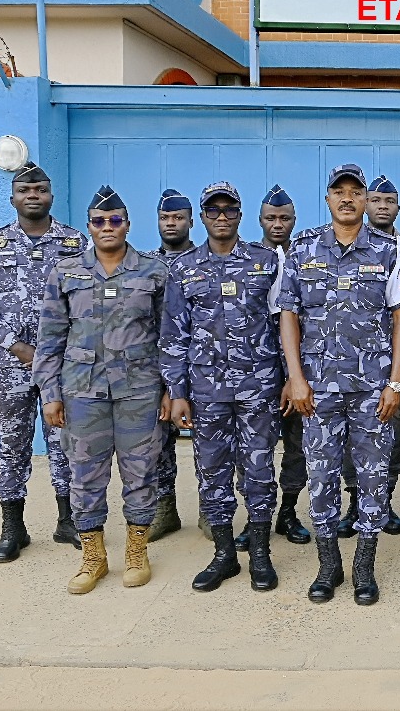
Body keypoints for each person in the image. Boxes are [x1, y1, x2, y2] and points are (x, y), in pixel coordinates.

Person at [279, 164, 400, 606]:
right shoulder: (302, 250)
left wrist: (396, 384)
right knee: (322, 476)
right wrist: (295, 378)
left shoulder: (388, 250)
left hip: (373, 387)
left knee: (373, 478)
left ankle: (363, 568)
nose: (348, 198)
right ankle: (329, 566)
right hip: (318, 390)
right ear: (328, 198)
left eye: (356, 192)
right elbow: (288, 316)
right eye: (340, 191)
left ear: (364, 200)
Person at [34, 186, 169, 594]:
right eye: (98, 221)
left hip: (139, 391)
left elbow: (169, 336)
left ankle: (136, 551)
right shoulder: (66, 272)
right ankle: (93, 556)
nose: (107, 227)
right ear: (89, 227)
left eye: (115, 220)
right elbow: (50, 337)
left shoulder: (153, 271)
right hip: (81, 393)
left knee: (141, 472)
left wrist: (170, 389)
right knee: (84, 476)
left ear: (127, 224)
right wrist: (50, 393)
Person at [160, 181, 283, 593]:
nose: (222, 216)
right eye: (214, 210)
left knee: (260, 470)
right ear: (203, 215)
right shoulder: (184, 267)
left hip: (258, 385)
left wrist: (288, 379)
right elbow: (174, 335)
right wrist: (177, 392)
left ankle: (261, 554)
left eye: (229, 209)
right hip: (206, 389)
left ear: (241, 214)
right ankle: (225, 555)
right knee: (211, 471)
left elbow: (284, 325)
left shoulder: (267, 262)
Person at [0, 162, 86, 562]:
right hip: (10, 365)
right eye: (25, 189)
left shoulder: (74, 243)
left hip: (63, 366)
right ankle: (13, 527)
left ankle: (67, 520)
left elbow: (88, 303)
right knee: (12, 445)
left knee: (65, 442)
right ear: (13, 197)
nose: (33, 194)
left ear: (51, 195)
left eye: (40, 188)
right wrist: (16, 345)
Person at [338, 174, 400, 537]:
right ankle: (356, 500)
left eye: (390, 201)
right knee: (351, 441)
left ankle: (384, 501)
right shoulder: (346, 246)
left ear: (398, 208)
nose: (383, 207)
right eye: (377, 200)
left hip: (393, 367)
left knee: (393, 436)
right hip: (348, 364)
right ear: (366, 204)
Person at [248, 184, 311, 547]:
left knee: (297, 444)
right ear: (260, 220)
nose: (277, 224)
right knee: (255, 446)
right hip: (256, 367)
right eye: (271, 218)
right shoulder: (249, 257)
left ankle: (287, 511)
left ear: (294, 221)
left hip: (300, 365)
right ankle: (257, 517)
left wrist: (294, 374)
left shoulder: (306, 255)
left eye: (284, 218)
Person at [147, 188, 196, 542]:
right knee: (158, 445)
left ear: (191, 221)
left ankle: (212, 512)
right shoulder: (144, 265)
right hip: (156, 369)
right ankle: (166, 510)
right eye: (165, 218)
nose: (171, 224)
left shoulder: (208, 258)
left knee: (211, 443)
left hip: (205, 367)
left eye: (178, 218)